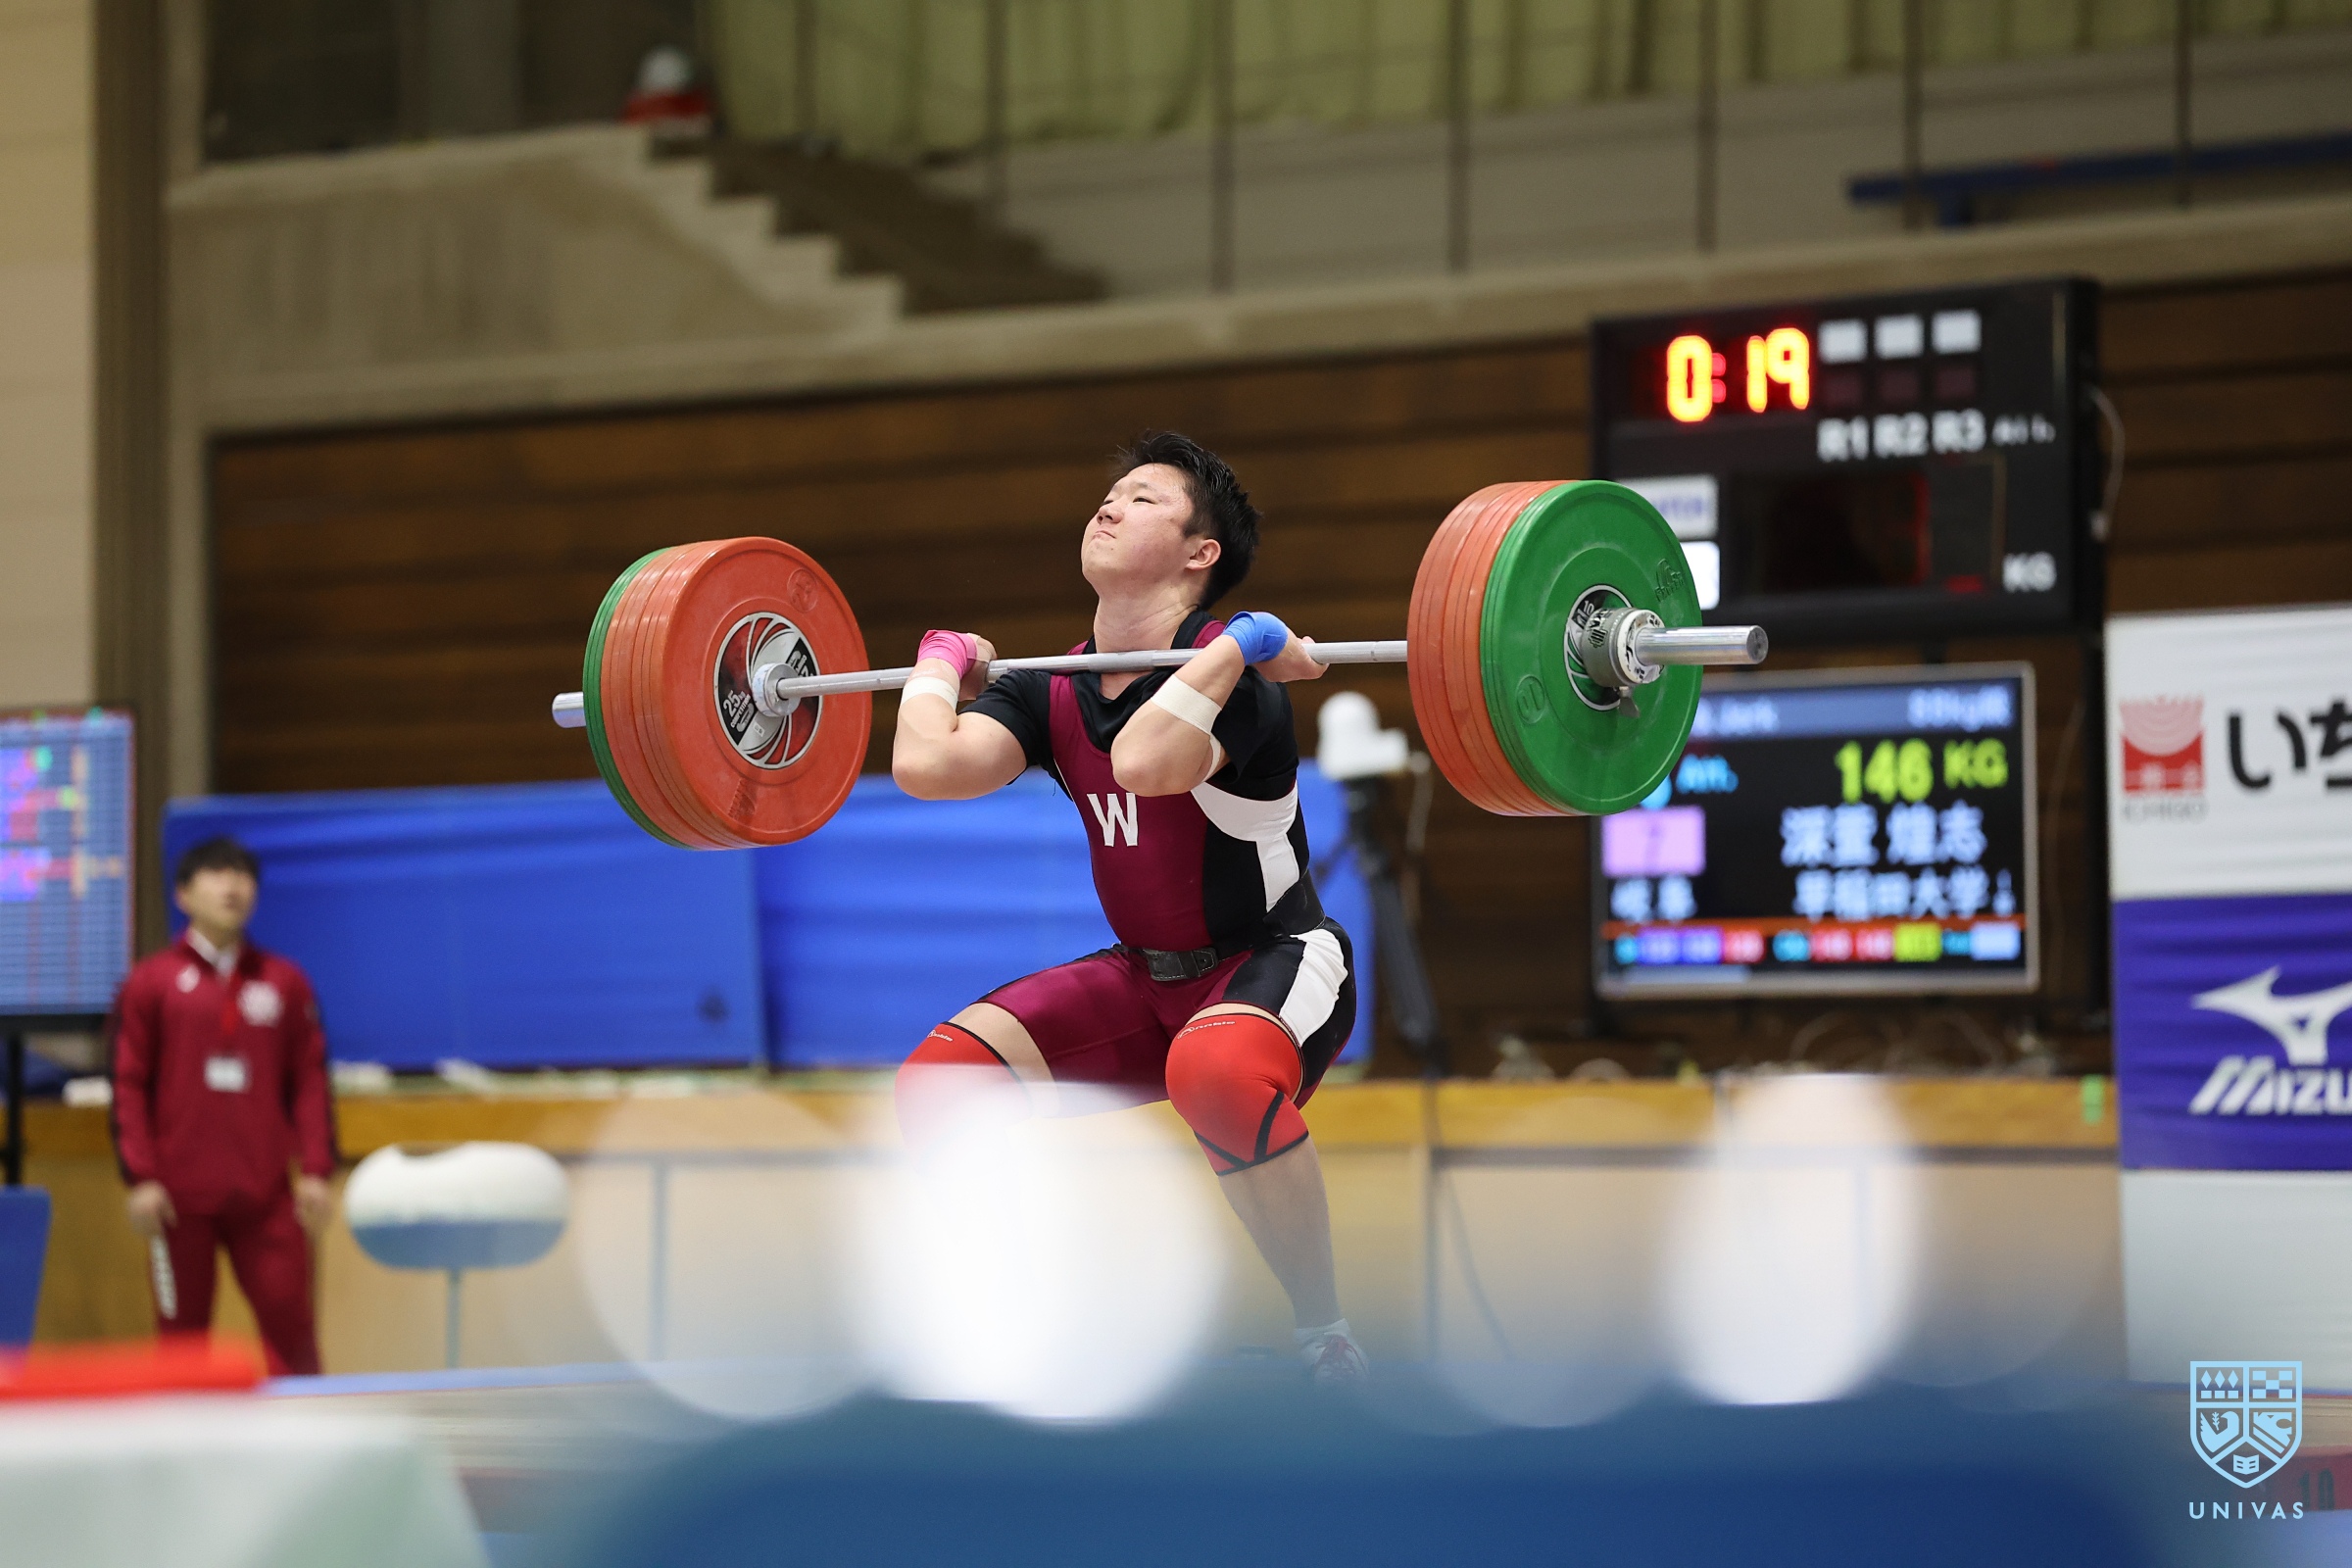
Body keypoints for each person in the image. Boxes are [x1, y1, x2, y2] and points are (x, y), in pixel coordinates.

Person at [891, 431, 1365, 1383]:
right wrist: (941, 660)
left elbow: (1145, 762)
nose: (1110, 505)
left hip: (1276, 961)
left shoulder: (1243, 690)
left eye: (1145, 498)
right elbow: (927, 764)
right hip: (1146, 978)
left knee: (1214, 1070)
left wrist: (1236, 646)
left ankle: (1326, 1336)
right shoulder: (1052, 687)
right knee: (942, 1085)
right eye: (1111, 494)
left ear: (1201, 553)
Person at [109, 837, 336, 1375]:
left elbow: (309, 1080)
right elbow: (128, 1083)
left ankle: (303, 1428)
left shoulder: (284, 982)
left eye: (242, 875)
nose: (231, 886)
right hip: (176, 1200)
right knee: (181, 1345)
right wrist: (141, 1177)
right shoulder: (151, 982)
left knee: (293, 1336)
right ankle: (182, 1433)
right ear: (183, 895)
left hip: (266, 1196)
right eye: (215, 874)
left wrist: (316, 1169)